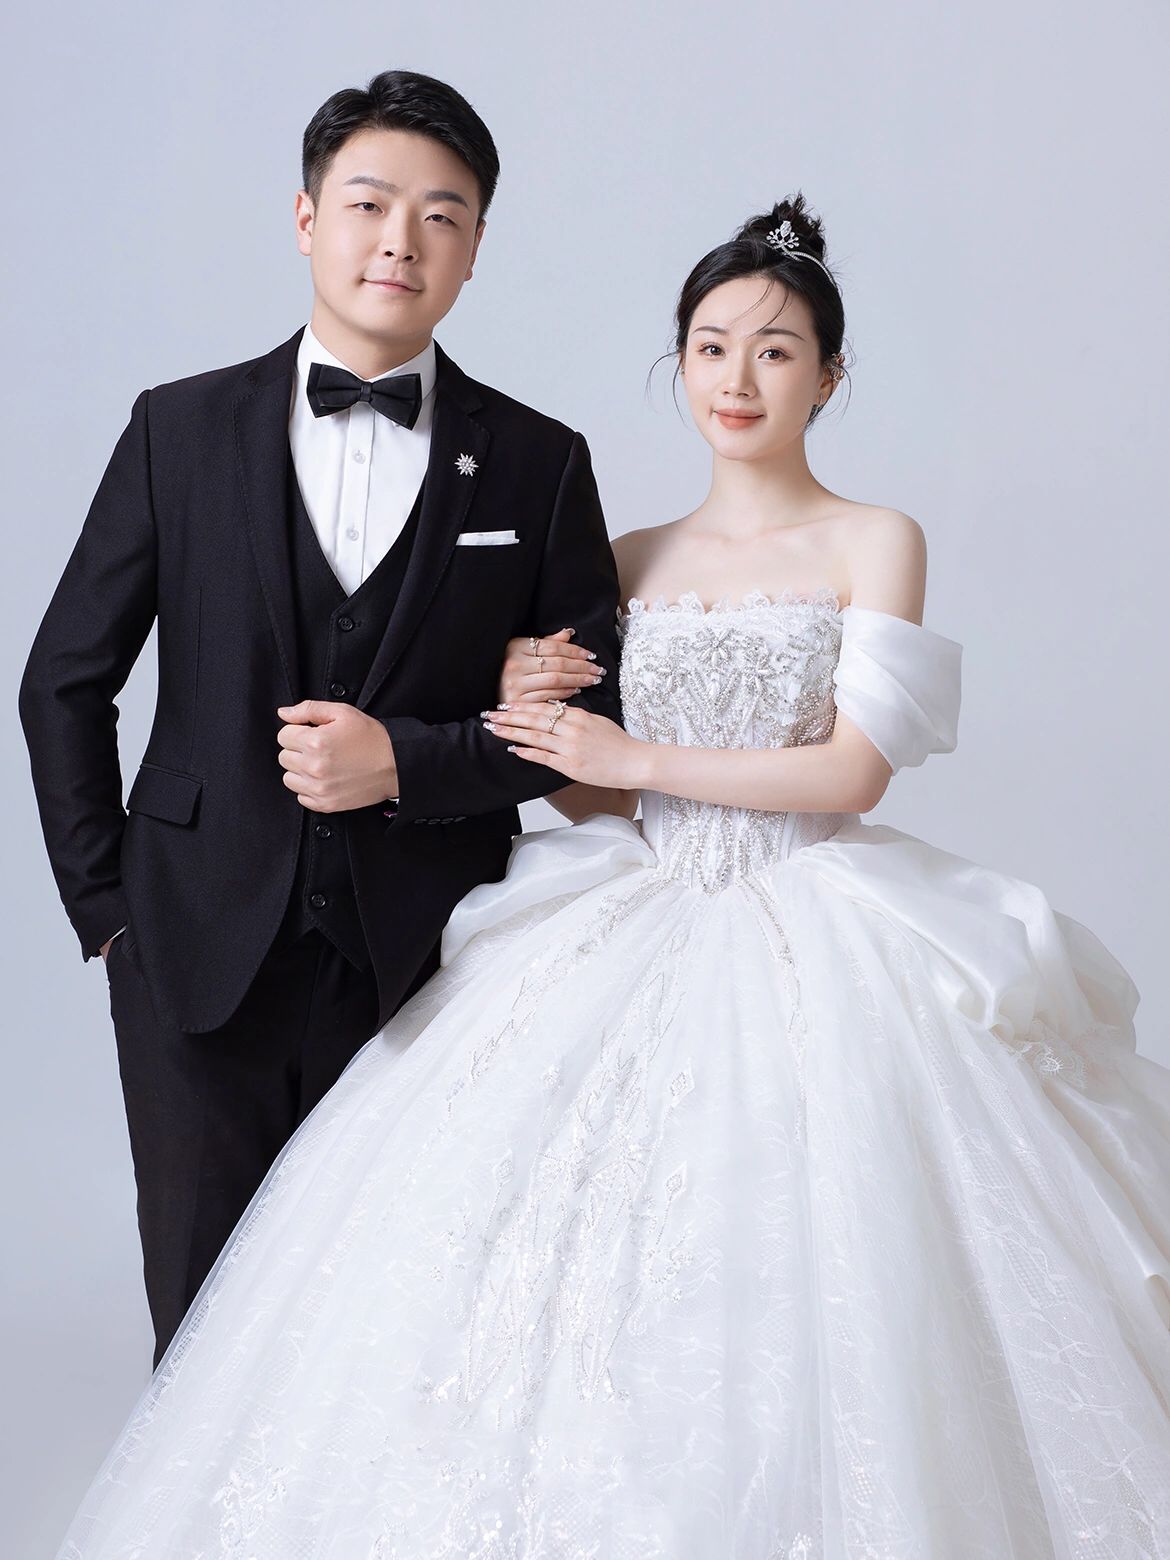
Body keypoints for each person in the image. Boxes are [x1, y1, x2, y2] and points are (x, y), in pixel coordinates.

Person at [53, 195, 1170, 1557]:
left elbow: (851, 774)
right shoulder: (629, 557)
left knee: (837, 1256)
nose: (737, 379)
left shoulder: (875, 539)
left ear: (828, 376)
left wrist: (624, 750)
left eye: (775, 351)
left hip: (821, 915)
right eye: (710, 347)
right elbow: (580, 786)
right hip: (634, 904)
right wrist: (530, 709)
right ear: (678, 364)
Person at [18, 68, 622, 1371]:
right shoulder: (179, 429)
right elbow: (63, 677)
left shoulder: (538, 463)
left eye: (441, 215)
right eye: (368, 204)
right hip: (187, 946)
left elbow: (591, 734)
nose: (401, 239)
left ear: (475, 250)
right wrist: (108, 915)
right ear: (306, 220)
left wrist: (407, 760)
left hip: (431, 962)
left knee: (399, 1336)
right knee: (200, 1322)